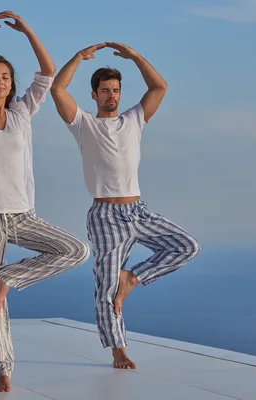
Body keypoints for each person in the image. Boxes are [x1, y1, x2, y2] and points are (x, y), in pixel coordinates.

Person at [0, 11, 89, 392]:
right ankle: (3, 370)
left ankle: (9, 277)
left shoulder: (23, 112)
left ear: (11, 84)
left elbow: (48, 70)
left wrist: (27, 32)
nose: (0, 81)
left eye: (6, 77)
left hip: (21, 215)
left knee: (75, 250)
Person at [50, 42, 201, 370]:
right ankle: (119, 350)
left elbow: (159, 86)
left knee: (187, 247)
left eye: (115, 90)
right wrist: (78, 57)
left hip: (138, 210)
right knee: (105, 286)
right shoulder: (83, 124)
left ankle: (132, 279)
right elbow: (57, 88)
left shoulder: (134, 119)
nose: (111, 96)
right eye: (105, 91)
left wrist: (134, 58)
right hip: (106, 216)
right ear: (94, 95)